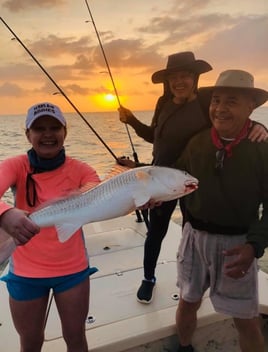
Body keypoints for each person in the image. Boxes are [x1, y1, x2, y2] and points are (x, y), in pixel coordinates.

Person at [118, 51, 268, 304]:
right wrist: (132, 121)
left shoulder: (204, 101)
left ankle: (197, 282)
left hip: (194, 178)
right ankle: (149, 278)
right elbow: (156, 137)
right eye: (173, 77)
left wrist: (259, 127)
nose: (179, 81)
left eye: (185, 75)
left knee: (192, 228)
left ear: (195, 77)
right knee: (156, 231)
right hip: (161, 179)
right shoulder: (163, 104)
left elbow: (233, 113)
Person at [174, 69, 268, 352]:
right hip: (193, 238)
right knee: (187, 300)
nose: (220, 109)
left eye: (231, 101)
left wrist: (255, 245)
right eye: (216, 100)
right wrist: (149, 191)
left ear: (250, 107)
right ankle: (184, 347)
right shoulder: (198, 142)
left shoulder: (262, 149)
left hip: (236, 245)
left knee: (246, 319)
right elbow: (177, 178)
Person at [0, 102, 101, 352]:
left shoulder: (82, 170)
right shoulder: (16, 165)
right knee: (31, 341)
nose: (47, 134)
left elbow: (102, 199)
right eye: (39, 128)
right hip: (26, 272)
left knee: (76, 337)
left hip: (72, 270)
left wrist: (138, 199)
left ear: (65, 132)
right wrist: (5, 213)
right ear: (27, 134)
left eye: (55, 127)